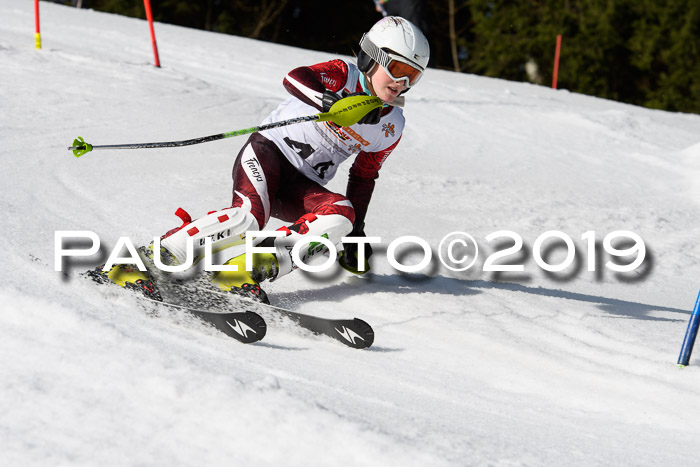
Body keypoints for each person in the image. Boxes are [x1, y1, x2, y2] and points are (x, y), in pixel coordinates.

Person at [96, 16, 430, 304]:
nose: (402, 84)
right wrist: (327, 101)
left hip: (302, 184)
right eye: (398, 69)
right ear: (373, 57)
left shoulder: (391, 126)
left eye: (412, 77)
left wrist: (356, 232)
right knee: (249, 218)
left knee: (340, 216)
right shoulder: (343, 75)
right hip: (268, 153)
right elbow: (296, 78)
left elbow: (363, 176)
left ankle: (241, 272)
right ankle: (143, 260)